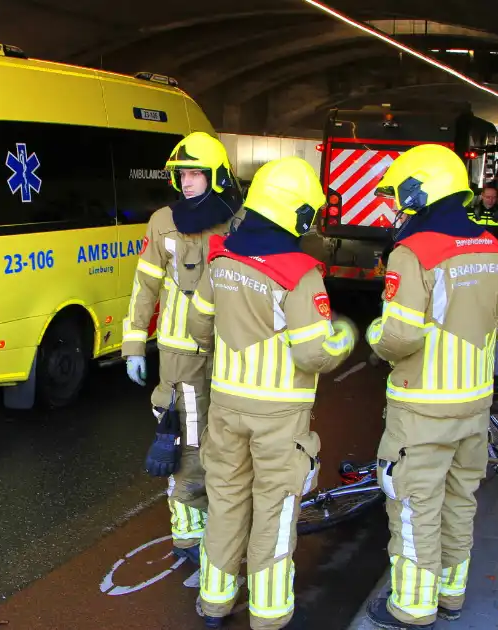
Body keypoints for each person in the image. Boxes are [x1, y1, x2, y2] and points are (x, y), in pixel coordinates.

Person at [187, 157, 356, 629]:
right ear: (297, 214)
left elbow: (199, 324)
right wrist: (342, 336)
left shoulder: (221, 259)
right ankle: (268, 612)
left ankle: (215, 600)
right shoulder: (300, 273)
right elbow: (313, 354)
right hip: (278, 416)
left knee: (224, 500)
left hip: (226, 407)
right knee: (275, 511)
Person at [361, 144, 498, 629]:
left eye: (403, 197)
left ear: (420, 190)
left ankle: (411, 607)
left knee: (413, 505)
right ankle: (451, 594)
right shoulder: (490, 247)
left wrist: (372, 337)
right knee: (459, 500)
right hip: (474, 403)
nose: (399, 207)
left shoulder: (414, 252)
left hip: (422, 407)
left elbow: (399, 336)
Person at [121, 132, 241, 564]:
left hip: (228, 348)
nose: (186, 182)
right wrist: (135, 343)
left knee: (224, 439)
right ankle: (188, 535)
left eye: (195, 174)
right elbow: (145, 287)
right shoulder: (161, 222)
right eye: (182, 175)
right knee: (185, 439)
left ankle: (217, 519)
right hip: (177, 351)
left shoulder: (236, 220)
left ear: (217, 177)